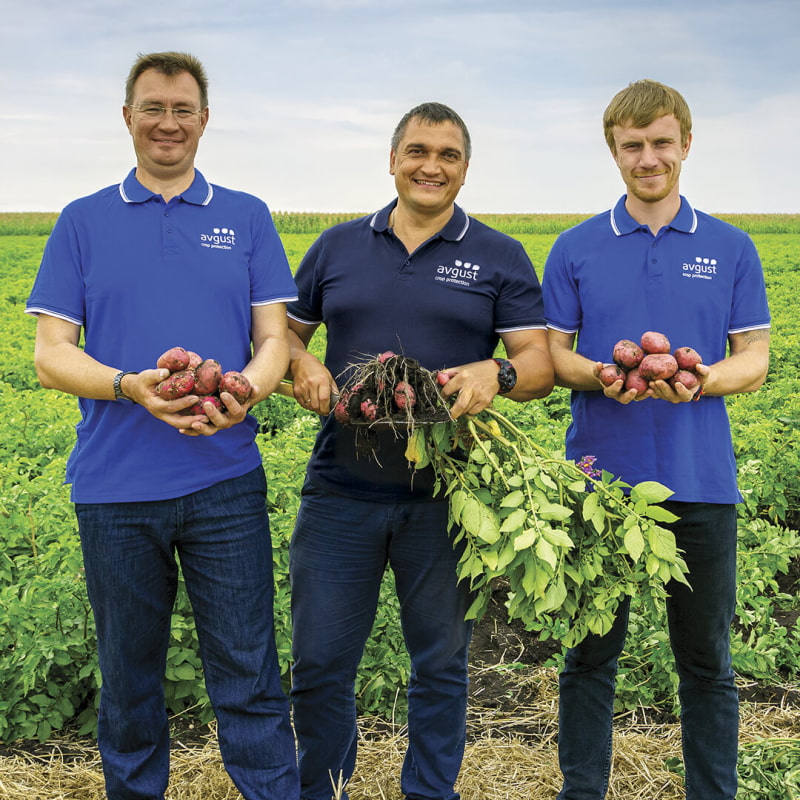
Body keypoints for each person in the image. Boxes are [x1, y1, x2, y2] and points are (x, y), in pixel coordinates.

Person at [25, 52, 299, 800]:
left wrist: (245, 391)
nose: (168, 122)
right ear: (128, 117)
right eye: (153, 107)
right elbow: (51, 355)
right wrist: (128, 387)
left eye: (182, 109)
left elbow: (274, 339)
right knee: (129, 681)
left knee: (248, 672)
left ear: (205, 120)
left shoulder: (246, 216)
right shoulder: (82, 221)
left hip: (225, 484)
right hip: (114, 490)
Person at [284, 101, 554, 800]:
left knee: (439, 664)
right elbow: (281, 334)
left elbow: (539, 363)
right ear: (393, 160)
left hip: (447, 499)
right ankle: (322, 789)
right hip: (340, 489)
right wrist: (301, 364)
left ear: (465, 169)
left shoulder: (499, 255)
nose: (431, 166)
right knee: (318, 663)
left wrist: (495, 374)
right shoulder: (336, 247)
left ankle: (430, 792)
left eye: (448, 155)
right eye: (418, 152)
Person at [542, 79, 771, 800]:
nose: (648, 158)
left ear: (687, 144)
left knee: (706, 664)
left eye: (661, 142)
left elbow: (755, 358)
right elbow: (553, 356)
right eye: (633, 145)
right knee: (588, 657)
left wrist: (702, 380)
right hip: (600, 482)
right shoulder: (576, 247)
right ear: (614, 151)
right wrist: (601, 374)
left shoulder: (730, 247)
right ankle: (583, 791)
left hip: (701, 481)